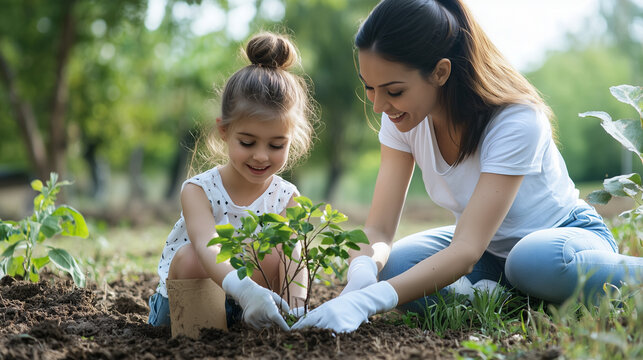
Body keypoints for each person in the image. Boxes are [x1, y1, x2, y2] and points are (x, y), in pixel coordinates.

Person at [293, 0, 643, 333]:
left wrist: (370, 302)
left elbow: (465, 250)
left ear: (441, 72)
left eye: (394, 91)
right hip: (492, 253)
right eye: (369, 87)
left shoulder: (515, 120)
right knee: (396, 267)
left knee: (530, 262)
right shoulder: (402, 119)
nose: (379, 105)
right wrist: (361, 273)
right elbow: (380, 229)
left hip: (564, 242)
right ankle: (521, 299)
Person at [148, 32, 316, 331]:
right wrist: (247, 291)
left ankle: (276, 321)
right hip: (187, 300)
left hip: (257, 305)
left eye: (276, 145)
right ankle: (197, 336)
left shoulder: (286, 196)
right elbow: (208, 247)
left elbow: (294, 265)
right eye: (248, 142)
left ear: (293, 140)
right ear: (224, 131)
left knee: (283, 248)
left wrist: (297, 314)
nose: (261, 156)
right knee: (190, 256)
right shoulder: (198, 191)